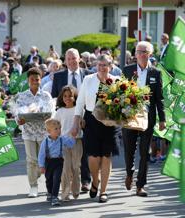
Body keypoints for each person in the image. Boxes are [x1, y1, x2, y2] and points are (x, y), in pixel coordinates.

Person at [71, 54, 121, 203]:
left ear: (110, 66)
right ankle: (95, 181)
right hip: (91, 121)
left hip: (110, 122)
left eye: (105, 65)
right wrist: (76, 122)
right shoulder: (88, 80)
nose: (102, 68)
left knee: (106, 156)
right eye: (99, 65)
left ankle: (103, 191)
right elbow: (80, 103)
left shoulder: (117, 81)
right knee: (93, 157)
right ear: (95, 66)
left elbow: (123, 105)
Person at [122, 41, 165, 197]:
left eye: (145, 52)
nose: (141, 54)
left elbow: (159, 98)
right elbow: (120, 93)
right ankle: (129, 172)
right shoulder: (127, 70)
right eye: (139, 51)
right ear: (135, 54)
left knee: (144, 152)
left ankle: (140, 185)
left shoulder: (156, 73)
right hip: (129, 116)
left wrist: (162, 119)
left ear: (150, 55)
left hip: (148, 117)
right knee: (128, 149)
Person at [51, 48, 92, 193]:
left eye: (74, 58)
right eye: (68, 59)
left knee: (84, 149)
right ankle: (68, 182)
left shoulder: (88, 75)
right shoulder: (58, 77)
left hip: (86, 117)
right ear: (65, 61)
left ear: (79, 58)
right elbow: (55, 98)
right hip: (67, 117)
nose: (71, 61)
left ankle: (86, 181)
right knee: (68, 154)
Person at [15, 67, 54, 198]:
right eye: (32, 79)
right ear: (28, 80)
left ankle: (49, 185)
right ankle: (33, 186)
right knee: (31, 160)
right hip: (28, 133)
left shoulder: (46, 95)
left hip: (43, 132)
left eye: (37, 79)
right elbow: (18, 113)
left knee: (45, 159)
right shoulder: (22, 96)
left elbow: (51, 112)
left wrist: (48, 117)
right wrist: (18, 121)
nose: (35, 82)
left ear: (40, 80)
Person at [54, 86, 83, 201]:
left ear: (75, 97)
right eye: (65, 96)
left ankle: (75, 190)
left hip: (77, 142)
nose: (67, 98)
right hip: (63, 143)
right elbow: (55, 126)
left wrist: (82, 124)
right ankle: (65, 193)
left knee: (76, 166)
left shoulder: (79, 110)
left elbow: (84, 125)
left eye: (70, 96)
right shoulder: (60, 111)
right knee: (65, 168)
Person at [38, 118, 75, 206]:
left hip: (59, 162)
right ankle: (50, 193)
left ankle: (55, 196)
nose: (58, 131)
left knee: (57, 179)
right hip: (48, 162)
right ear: (49, 131)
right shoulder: (45, 142)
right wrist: (41, 166)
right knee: (49, 179)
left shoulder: (62, 139)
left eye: (59, 128)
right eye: (56, 129)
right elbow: (41, 154)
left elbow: (71, 144)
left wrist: (73, 136)